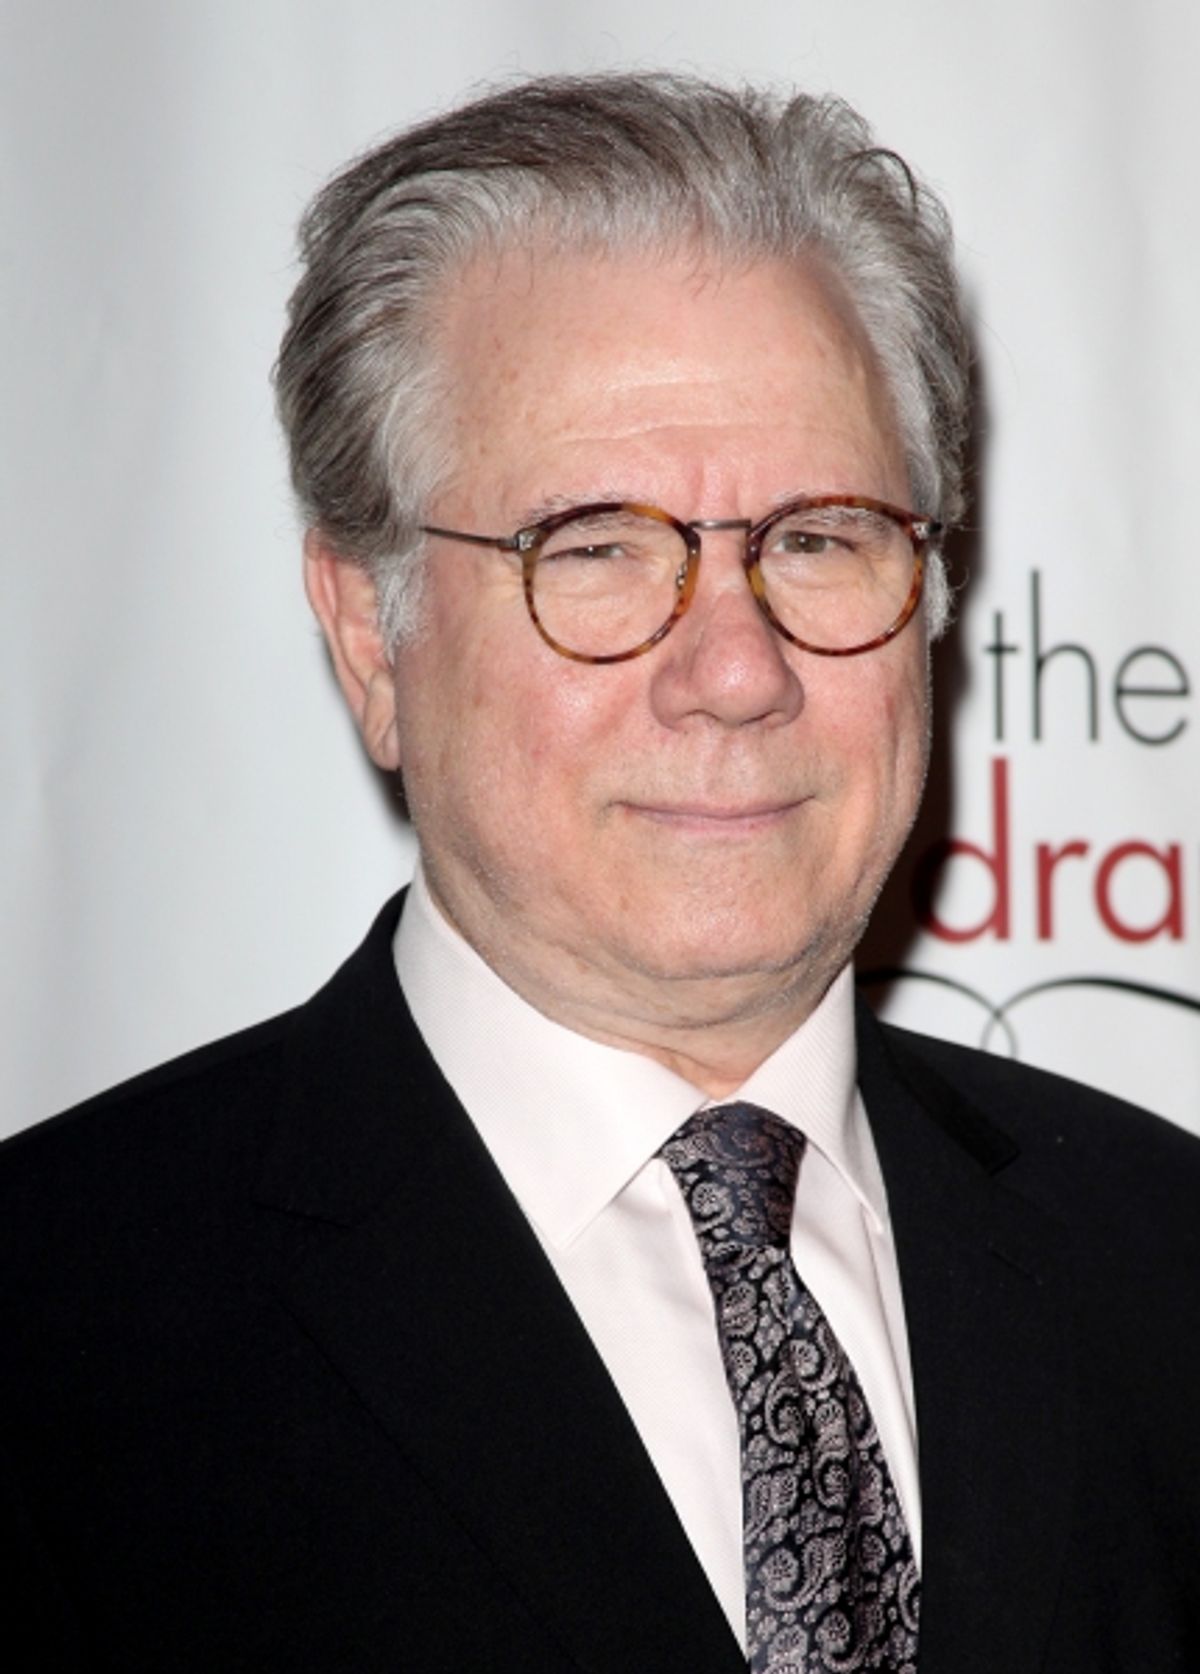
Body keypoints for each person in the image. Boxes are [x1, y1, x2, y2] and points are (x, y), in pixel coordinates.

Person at [2, 73, 1198, 1674]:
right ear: (370, 634)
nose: (737, 671)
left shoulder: (1165, 1261)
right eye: (598, 549)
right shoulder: (53, 1327)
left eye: (820, 537)